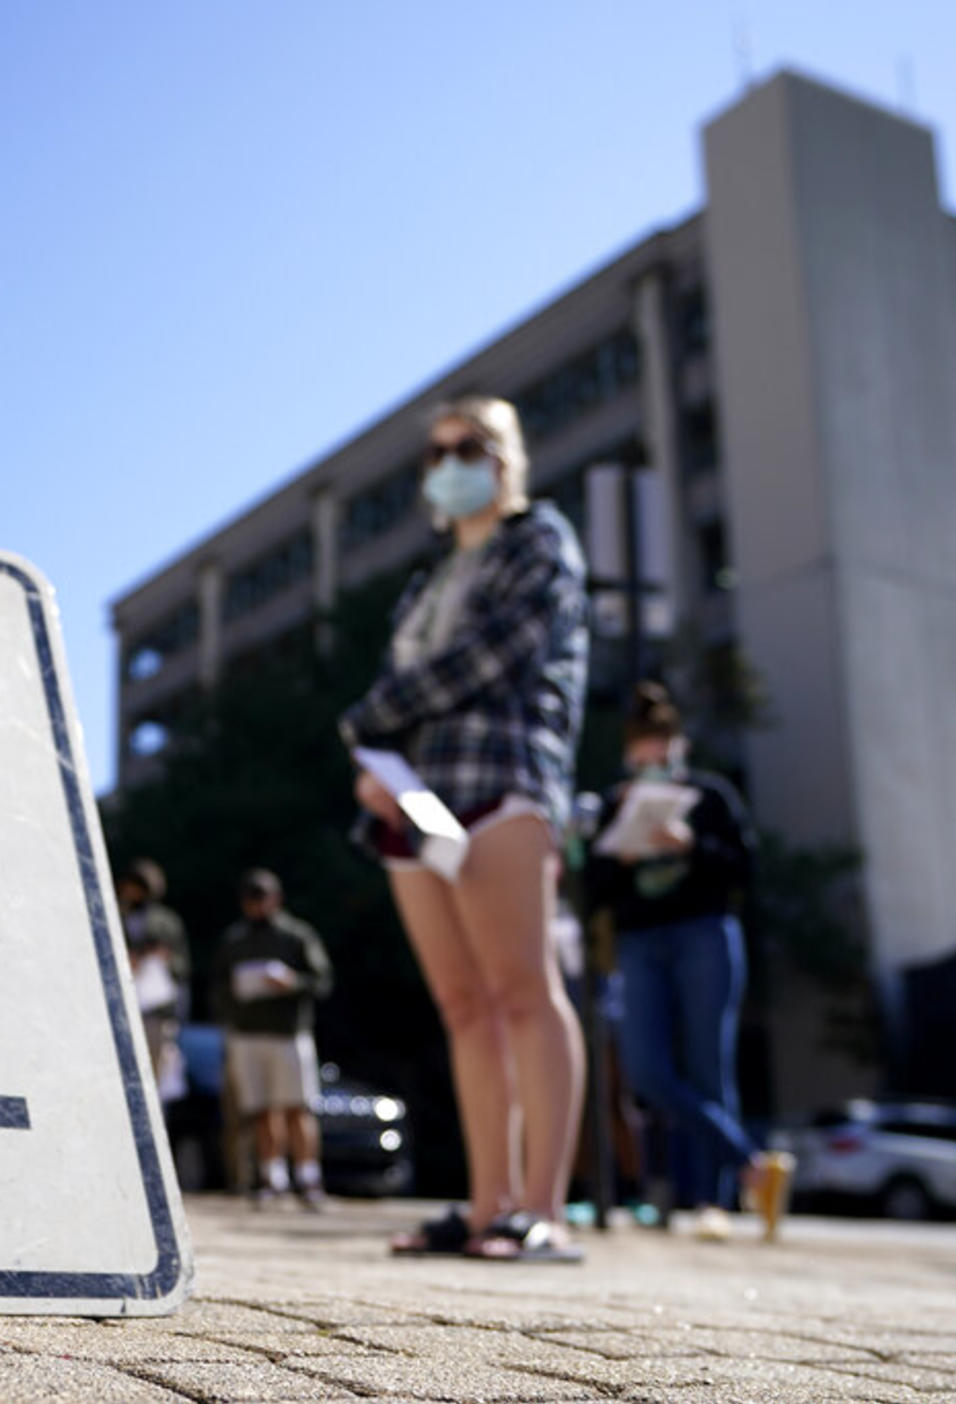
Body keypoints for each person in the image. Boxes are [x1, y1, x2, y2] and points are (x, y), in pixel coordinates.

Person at [340, 393, 590, 1262]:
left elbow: (491, 657)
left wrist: (368, 720)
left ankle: (543, 1212)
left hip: (501, 785)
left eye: (470, 447)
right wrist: (374, 762)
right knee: (461, 1006)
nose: (450, 464)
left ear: (507, 457)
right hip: (416, 805)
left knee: (524, 990)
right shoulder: (425, 584)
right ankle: (488, 1208)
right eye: (437, 451)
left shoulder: (540, 542)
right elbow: (408, 695)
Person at [584, 681, 793, 1241]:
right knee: (647, 1070)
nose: (652, 770)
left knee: (708, 1068)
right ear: (630, 758)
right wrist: (620, 855)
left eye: (662, 759)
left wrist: (690, 845)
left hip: (705, 932)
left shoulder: (712, 796)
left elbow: (745, 869)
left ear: (679, 750)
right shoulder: (615, 803)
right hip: (641, 941)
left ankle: (712, 1202)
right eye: (641, 762)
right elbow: (593, 890)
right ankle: (753, 1164)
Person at [209, 869, 334, 1209]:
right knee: (261, 1110)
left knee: (297, 1108)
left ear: (275, 898)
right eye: (250, 898)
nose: (256, 905)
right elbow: (217, 986)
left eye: (261, 897)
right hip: (248, 1034)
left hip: (288, 1035)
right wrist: (234, 995)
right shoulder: (234, 940)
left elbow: (321, 981)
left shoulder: (296, 936)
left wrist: (292, 982)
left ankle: (309, 1179)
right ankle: (271, 1177)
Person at [117, 858, 190, 1106]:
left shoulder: (166, 921)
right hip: (120, 1008)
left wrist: (160, 958)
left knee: (155, 1080)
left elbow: (182, 965)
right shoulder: (113, 912)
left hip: (156, 1010)